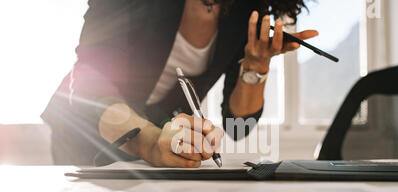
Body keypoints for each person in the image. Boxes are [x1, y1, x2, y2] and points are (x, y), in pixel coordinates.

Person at [42, 0, 317, 167]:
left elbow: (237, 123)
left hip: (156, 137)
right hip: (86, 127)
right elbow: (91, 80)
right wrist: (149, 143)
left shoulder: (242, 12)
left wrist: (255, 68)